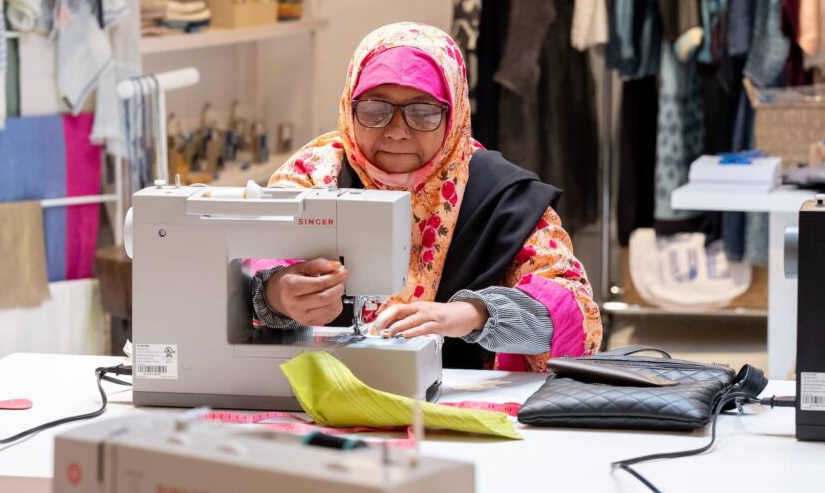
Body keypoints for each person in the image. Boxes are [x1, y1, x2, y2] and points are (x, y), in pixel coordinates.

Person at [251, 22, 602, 372]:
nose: (398, 132)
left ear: (455, 115)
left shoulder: (502, 198)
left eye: (423, 113)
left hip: (461, 404)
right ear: (349, 106)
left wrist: (475, 314)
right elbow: (233, 278)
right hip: (314, 392)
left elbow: (578, 317)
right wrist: (274, 295)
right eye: (375, 110)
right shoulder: (312, 178)